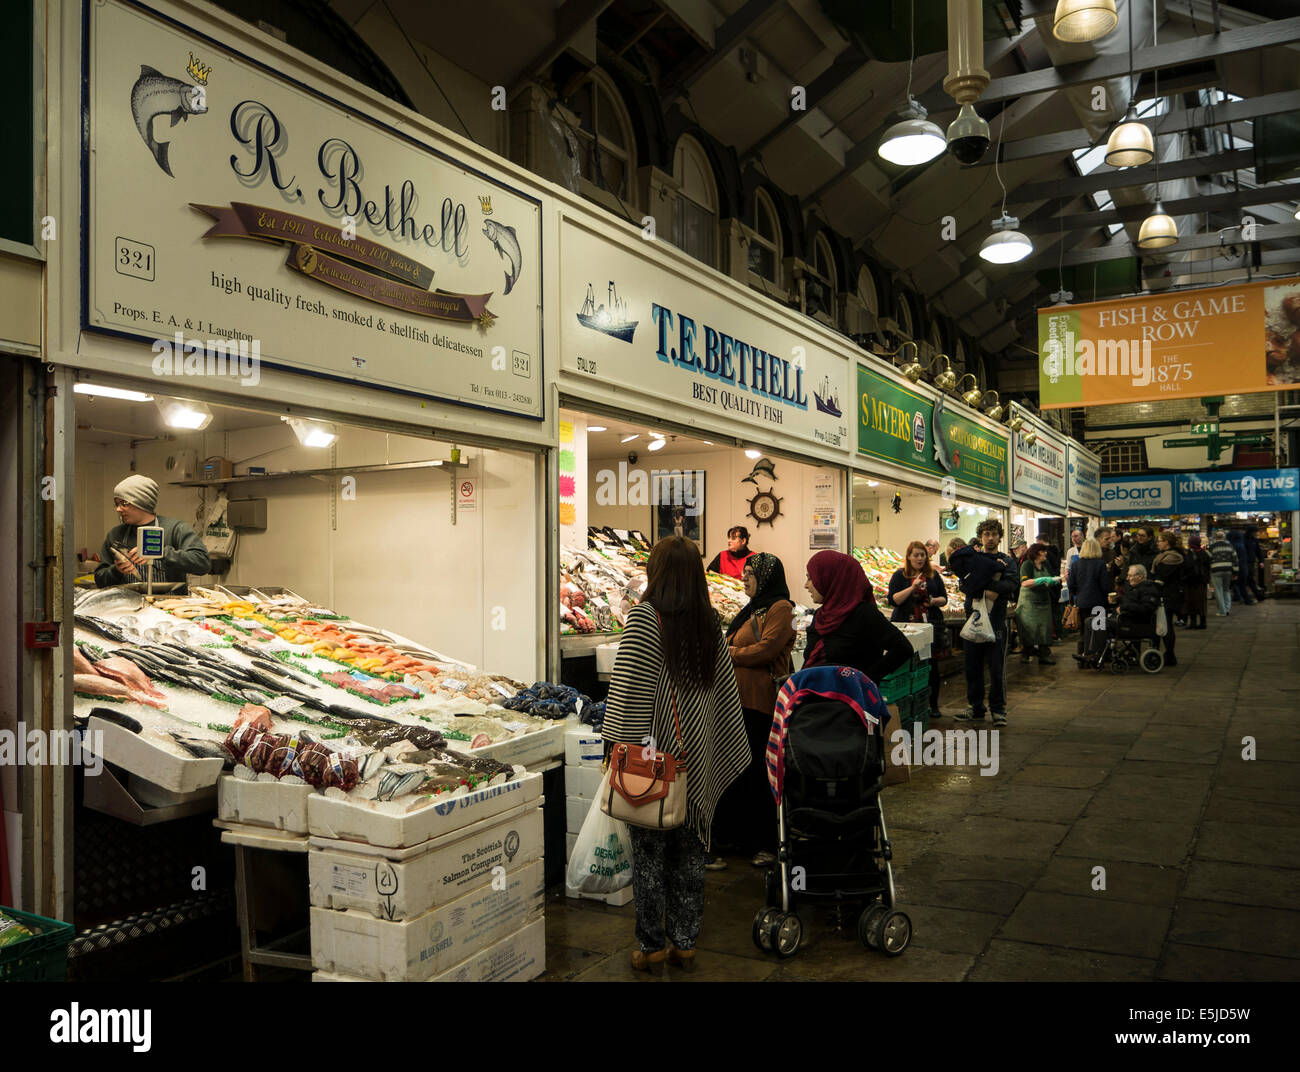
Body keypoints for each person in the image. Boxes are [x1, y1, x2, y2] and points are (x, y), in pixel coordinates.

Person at [602, 536, 750, 972]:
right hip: (696, 758)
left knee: (649, 853)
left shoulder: (644, 619)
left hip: (651, 762)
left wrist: (613, 747)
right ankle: (685, 942)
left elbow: (627, 691)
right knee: (690, 851)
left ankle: (650, 946)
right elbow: (723, 697)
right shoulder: (709, 623)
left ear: (657, 572)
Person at [722, 553, 795, 868]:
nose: (744, 577)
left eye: (750, 573)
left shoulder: (782, 609)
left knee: (759, 772)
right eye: (744, 572)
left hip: (761, 701)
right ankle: (740, 838)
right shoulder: (751, 608)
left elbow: (767, 649)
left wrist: (731, 653)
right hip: (738, 700)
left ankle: (764, 842)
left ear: (766, 578)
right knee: (739, 770)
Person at [949, 519, 1021, 727]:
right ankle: (975, 707)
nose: (990, 538)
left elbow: (1012, 584)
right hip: (973, 619)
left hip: (997, 622)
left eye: (994, 534)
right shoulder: (972, 559)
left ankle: (998, 710)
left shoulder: (1006, 561)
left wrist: (994, 588)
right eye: (986, 534)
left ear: (999, 537)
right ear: (981, 537)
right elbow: (964, 584)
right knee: (972, 666)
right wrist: (985, 588)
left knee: (996, 668)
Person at [802, 550, 913, 683]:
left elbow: (903, 649)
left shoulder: (864, 614)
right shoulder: (821, 616)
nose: (806, 585)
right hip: (817, 696)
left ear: (831, 578)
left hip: (853, 701)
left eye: (810, 578)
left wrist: (864, 679)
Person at [94, 476, 211, 587]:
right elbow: (99, 580)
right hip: (129, 605)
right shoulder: (115, 535)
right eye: (117, 504)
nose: (118, 509)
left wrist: (160, 553)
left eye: (124, 503)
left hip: (167, 605)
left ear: (142, 502)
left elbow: (202, 564)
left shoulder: (176, 529)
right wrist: (116, 571)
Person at [886, 541, 948, 719]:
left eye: (922, 555)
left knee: (931, 666)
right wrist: (912, 588)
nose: (920, 558)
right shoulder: (900, 576)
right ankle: (905, 704)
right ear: (909, 556)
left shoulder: (933, 575)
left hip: (930, 626)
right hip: (906, 626)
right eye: (916, 555)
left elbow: (944, 598)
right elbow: (894, 600)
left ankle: (933, 705)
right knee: (905, 664)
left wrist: (934, 601)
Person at [1068, 538, 1111, 666]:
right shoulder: (1100, 564)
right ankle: (1097, 657)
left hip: (1082, 602)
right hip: (1098, 602)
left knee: (1083, 631)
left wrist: (1078, 594)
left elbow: (1071, 584)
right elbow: (1104, 586)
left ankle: (1083, 658)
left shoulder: (1076, 565)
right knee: (1098, 630)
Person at [1016, 542, 1060, 666]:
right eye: (1042, 551)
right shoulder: (1027, 565)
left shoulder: (1046, 564)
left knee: (1044, 628)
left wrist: (1054, 580)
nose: (1045, 553)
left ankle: (1044, 655)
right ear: (1035, 553)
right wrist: (1041, 580)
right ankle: (1027, 653)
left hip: (1044, 601)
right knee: (1029, 628)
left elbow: (1051, 577)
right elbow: (1025, 583)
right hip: (1028, 603)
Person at [1151, 531, 1185, 667]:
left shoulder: (1170, 558)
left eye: (1160, 541)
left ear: (1167, 542)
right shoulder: (1166, 556)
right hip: (1170, 594)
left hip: (1168, 595)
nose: (1158, 543)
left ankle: (1169, 655)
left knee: (1165, 626)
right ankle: (1167, 655)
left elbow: (1161, 576)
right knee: (1165, 625)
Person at [1107, 563, 1162, 635]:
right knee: (1092, 621)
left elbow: (1146, 608)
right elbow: (1130, 601)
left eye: (1130, 575)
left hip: (1136, 625)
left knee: (1095, 623)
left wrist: (1124, 607)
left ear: (1139, 577)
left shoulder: (1149, 589)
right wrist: (1117, 599)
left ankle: (1098, 646)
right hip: (1127, 620)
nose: (1127, 578)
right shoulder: (1135, 588)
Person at [1182, 535, 1211, 630]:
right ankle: (1203, 622)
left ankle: (1193, 622)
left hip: (1191, 582)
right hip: (1201, 582)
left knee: (1191, 602)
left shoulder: (1190, 554)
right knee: (1201, 603)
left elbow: (1186, 567)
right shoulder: (1204, 553)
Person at [1207, 529, 1239, 617]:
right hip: (1228, 570)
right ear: (1224, 537)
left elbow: (1208, 559)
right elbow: (1235, 559)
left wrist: (1209, 570)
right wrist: (1235, 572)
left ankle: (1222, 611)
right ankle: (1227, 608)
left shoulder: (1211, 546)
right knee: (1226, 589)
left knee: (1218, 590)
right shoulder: (1230, 546)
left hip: (1216, 570)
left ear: (1215, 537)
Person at [1225, 530, 1249, 605]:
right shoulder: (1241, 545)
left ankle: (1245, 599)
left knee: (1232, 585)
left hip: (1236, 568)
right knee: (1240, 585)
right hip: (1243, 568)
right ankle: (1243, 599)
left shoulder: (1232, 546)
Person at [1242, 527, 1263, 603]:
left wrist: (1261, 561)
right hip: (1244, 563)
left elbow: (1258, 551)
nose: (1256, 534)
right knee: (1248, 580)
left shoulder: (1254, 540)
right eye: (1255, 532)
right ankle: (1257, 596)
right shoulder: (1243, 540)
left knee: (1249, 580)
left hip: (1251, 563)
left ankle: (1248, 597)